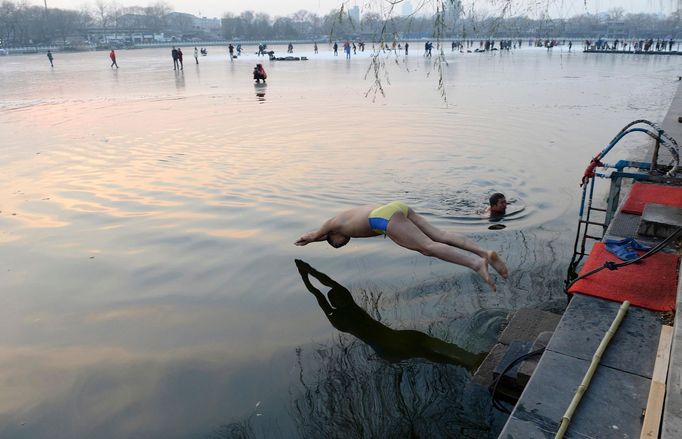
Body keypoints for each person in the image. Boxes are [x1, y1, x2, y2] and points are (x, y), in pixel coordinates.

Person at [296, 259, 487, 370]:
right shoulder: (341, 315)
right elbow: (320, 292)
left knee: (429, 345)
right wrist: (308, 273)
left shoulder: (338, 315)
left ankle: (470, 360)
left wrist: (308, 274)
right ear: (338, 301)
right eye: (340, 296)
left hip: (389, 343)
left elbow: (322, 290)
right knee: (427, 349)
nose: (343, 295)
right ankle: (469, 364)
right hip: (389, 345)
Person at [295, 201, 508, 291]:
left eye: (338, 244)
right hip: (395, 207)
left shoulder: (332, 224)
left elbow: (315, 234)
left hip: (380, 219)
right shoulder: (343, 220)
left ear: (333, 235)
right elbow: (322, 236)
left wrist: (305, 240)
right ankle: (484, 252)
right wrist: (317, 239)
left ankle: (476, 263)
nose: (344, 243)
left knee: (427, 247)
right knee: (439, 235)